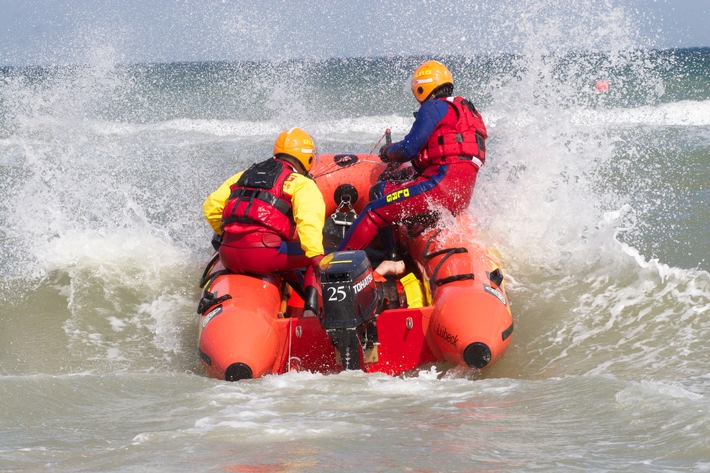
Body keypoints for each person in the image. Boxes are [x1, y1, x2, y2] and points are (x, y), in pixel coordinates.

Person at [338, 60, 488, 251]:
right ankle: (393, 252)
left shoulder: (433, 107)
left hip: (438, 189)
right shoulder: (467, 113)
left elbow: (408, 149)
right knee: (380, 189)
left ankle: (339, 260)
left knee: (372, 211)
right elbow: (452, 160)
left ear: (421, 89)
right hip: (460, 197)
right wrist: (406, 173)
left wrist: (387, 152)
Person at [203, 127, 325, 315]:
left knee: (287, 250)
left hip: (228, 254)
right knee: (310, 256)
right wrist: (318, 260)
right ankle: (311, 314)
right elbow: (309, 224)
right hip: (264, 256)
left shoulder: (244, 174)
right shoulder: (302, 183)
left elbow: (211, 206)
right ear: (308, 159)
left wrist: (224, 234)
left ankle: (293, 292)